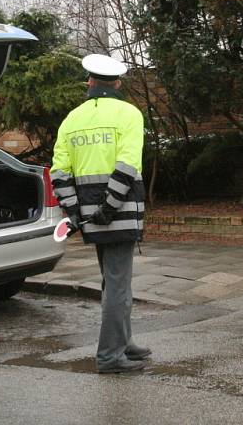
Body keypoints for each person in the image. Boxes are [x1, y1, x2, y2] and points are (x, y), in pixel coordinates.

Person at [50, 54, 149, 373]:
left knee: (113, 280)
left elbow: (59, 171)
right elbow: (127, 164)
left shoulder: (72, 119)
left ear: (90, 82)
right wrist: (110, 206)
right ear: (117, 83)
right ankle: (110, 356)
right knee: (119, 284)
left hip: (89, 215)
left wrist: (76, 212)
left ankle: (124, 342)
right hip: (118, 210)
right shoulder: (129, 114)